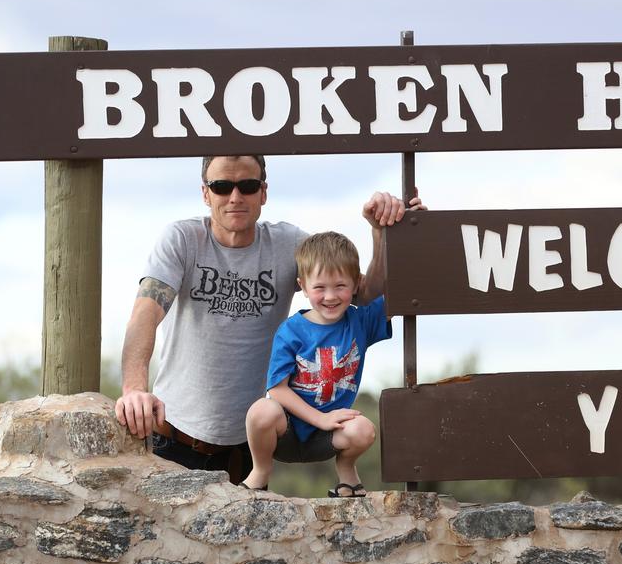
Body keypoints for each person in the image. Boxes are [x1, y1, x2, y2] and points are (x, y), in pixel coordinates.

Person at [113, 154, 419, 484]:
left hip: (244, 448)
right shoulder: (182, 240)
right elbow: (144, 315)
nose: (234, 197)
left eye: (247, 186)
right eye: (221, 186)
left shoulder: (288, 245)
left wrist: (380, 232)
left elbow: (361, 293)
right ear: (205, 193)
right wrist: (133, 390)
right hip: (173, 437)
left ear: (263, 192)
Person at [242, 232, 389, 496]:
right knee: (261, 411)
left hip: (330, 436)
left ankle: (346, 471)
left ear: (356, 284)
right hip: (286, 431)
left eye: (340, 286)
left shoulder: (360, 322)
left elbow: (399, 284)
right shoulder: (291, 330)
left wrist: (405, 230)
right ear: (303, 285)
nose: (330, 296)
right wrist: (320, 418)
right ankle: (260, 472)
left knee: (364, 430)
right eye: (320, 287)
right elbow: (277, 389)